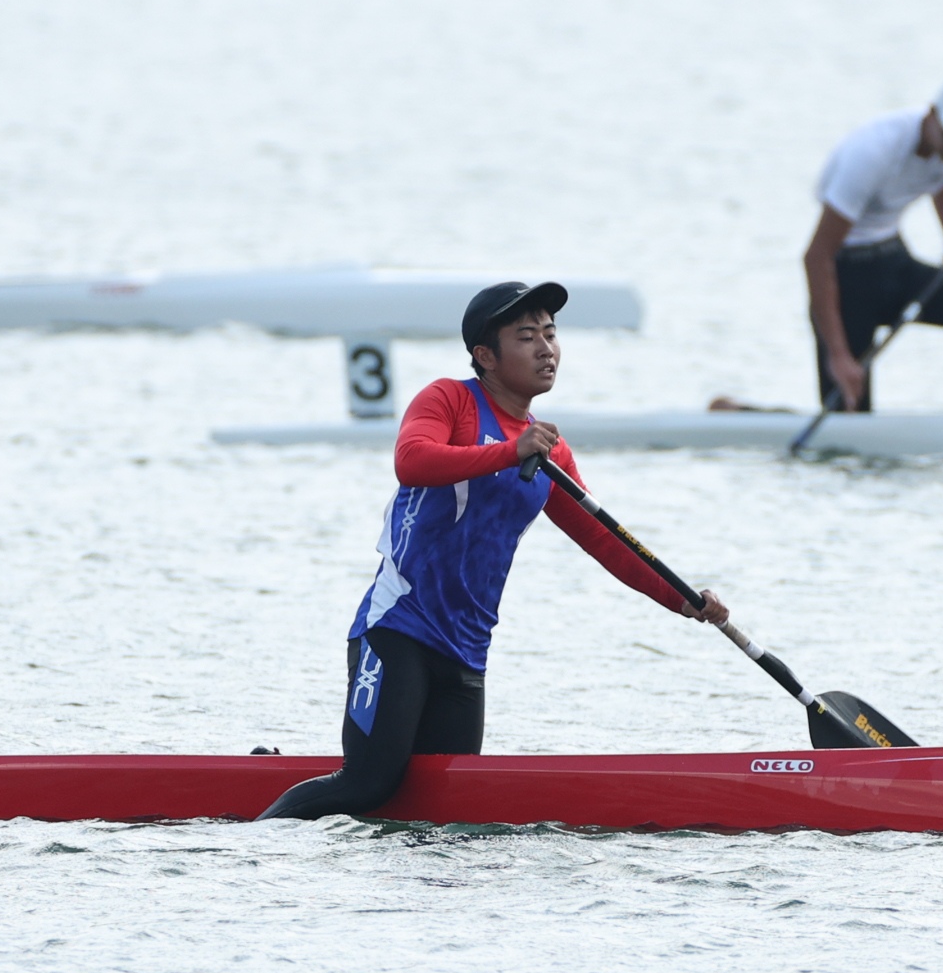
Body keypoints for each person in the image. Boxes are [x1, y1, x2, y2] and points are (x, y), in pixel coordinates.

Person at [259, 281, 733, 821]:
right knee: (368, 783)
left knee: (445, 815)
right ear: (486, 356)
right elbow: (411, 461)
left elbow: (603, 539)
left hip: (467, 652)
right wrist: (511, 452)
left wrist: (681, 599)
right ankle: (256, 840)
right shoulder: (450, 400)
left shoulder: (549, 450)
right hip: (398, 629)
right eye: (526, 337)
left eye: (550, 334)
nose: (546, 349)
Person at [803, 77, 943, 412]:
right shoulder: (872, 153)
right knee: (849, 414)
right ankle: (755, 415)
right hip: (845, 282)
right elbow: (816, 257)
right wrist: (838, 355)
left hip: (894, 264)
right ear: (931, 115)